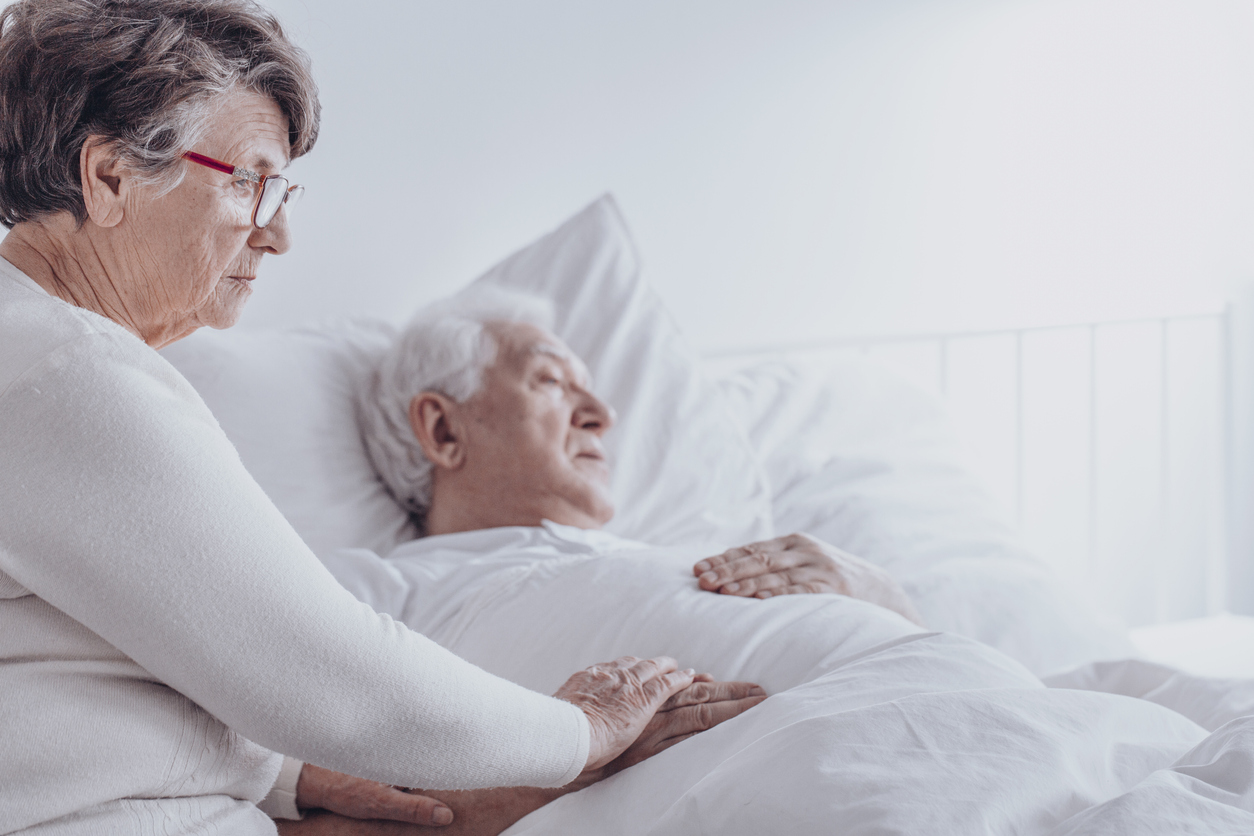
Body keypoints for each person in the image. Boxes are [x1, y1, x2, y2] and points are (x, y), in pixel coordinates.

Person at [0, 2, 755, 833]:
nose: (278, 233)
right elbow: (321, 678)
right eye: (250, 182)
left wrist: (285, 778)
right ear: (109, 178)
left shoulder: (37, 355)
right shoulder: (68, 373)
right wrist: (580, 732)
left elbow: (63, 669)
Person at [360, 287, 926, 627]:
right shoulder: (380, 597)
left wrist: (885, 600)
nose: (602, 415)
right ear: (442, 429)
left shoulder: (670, 560)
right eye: (551, 380)